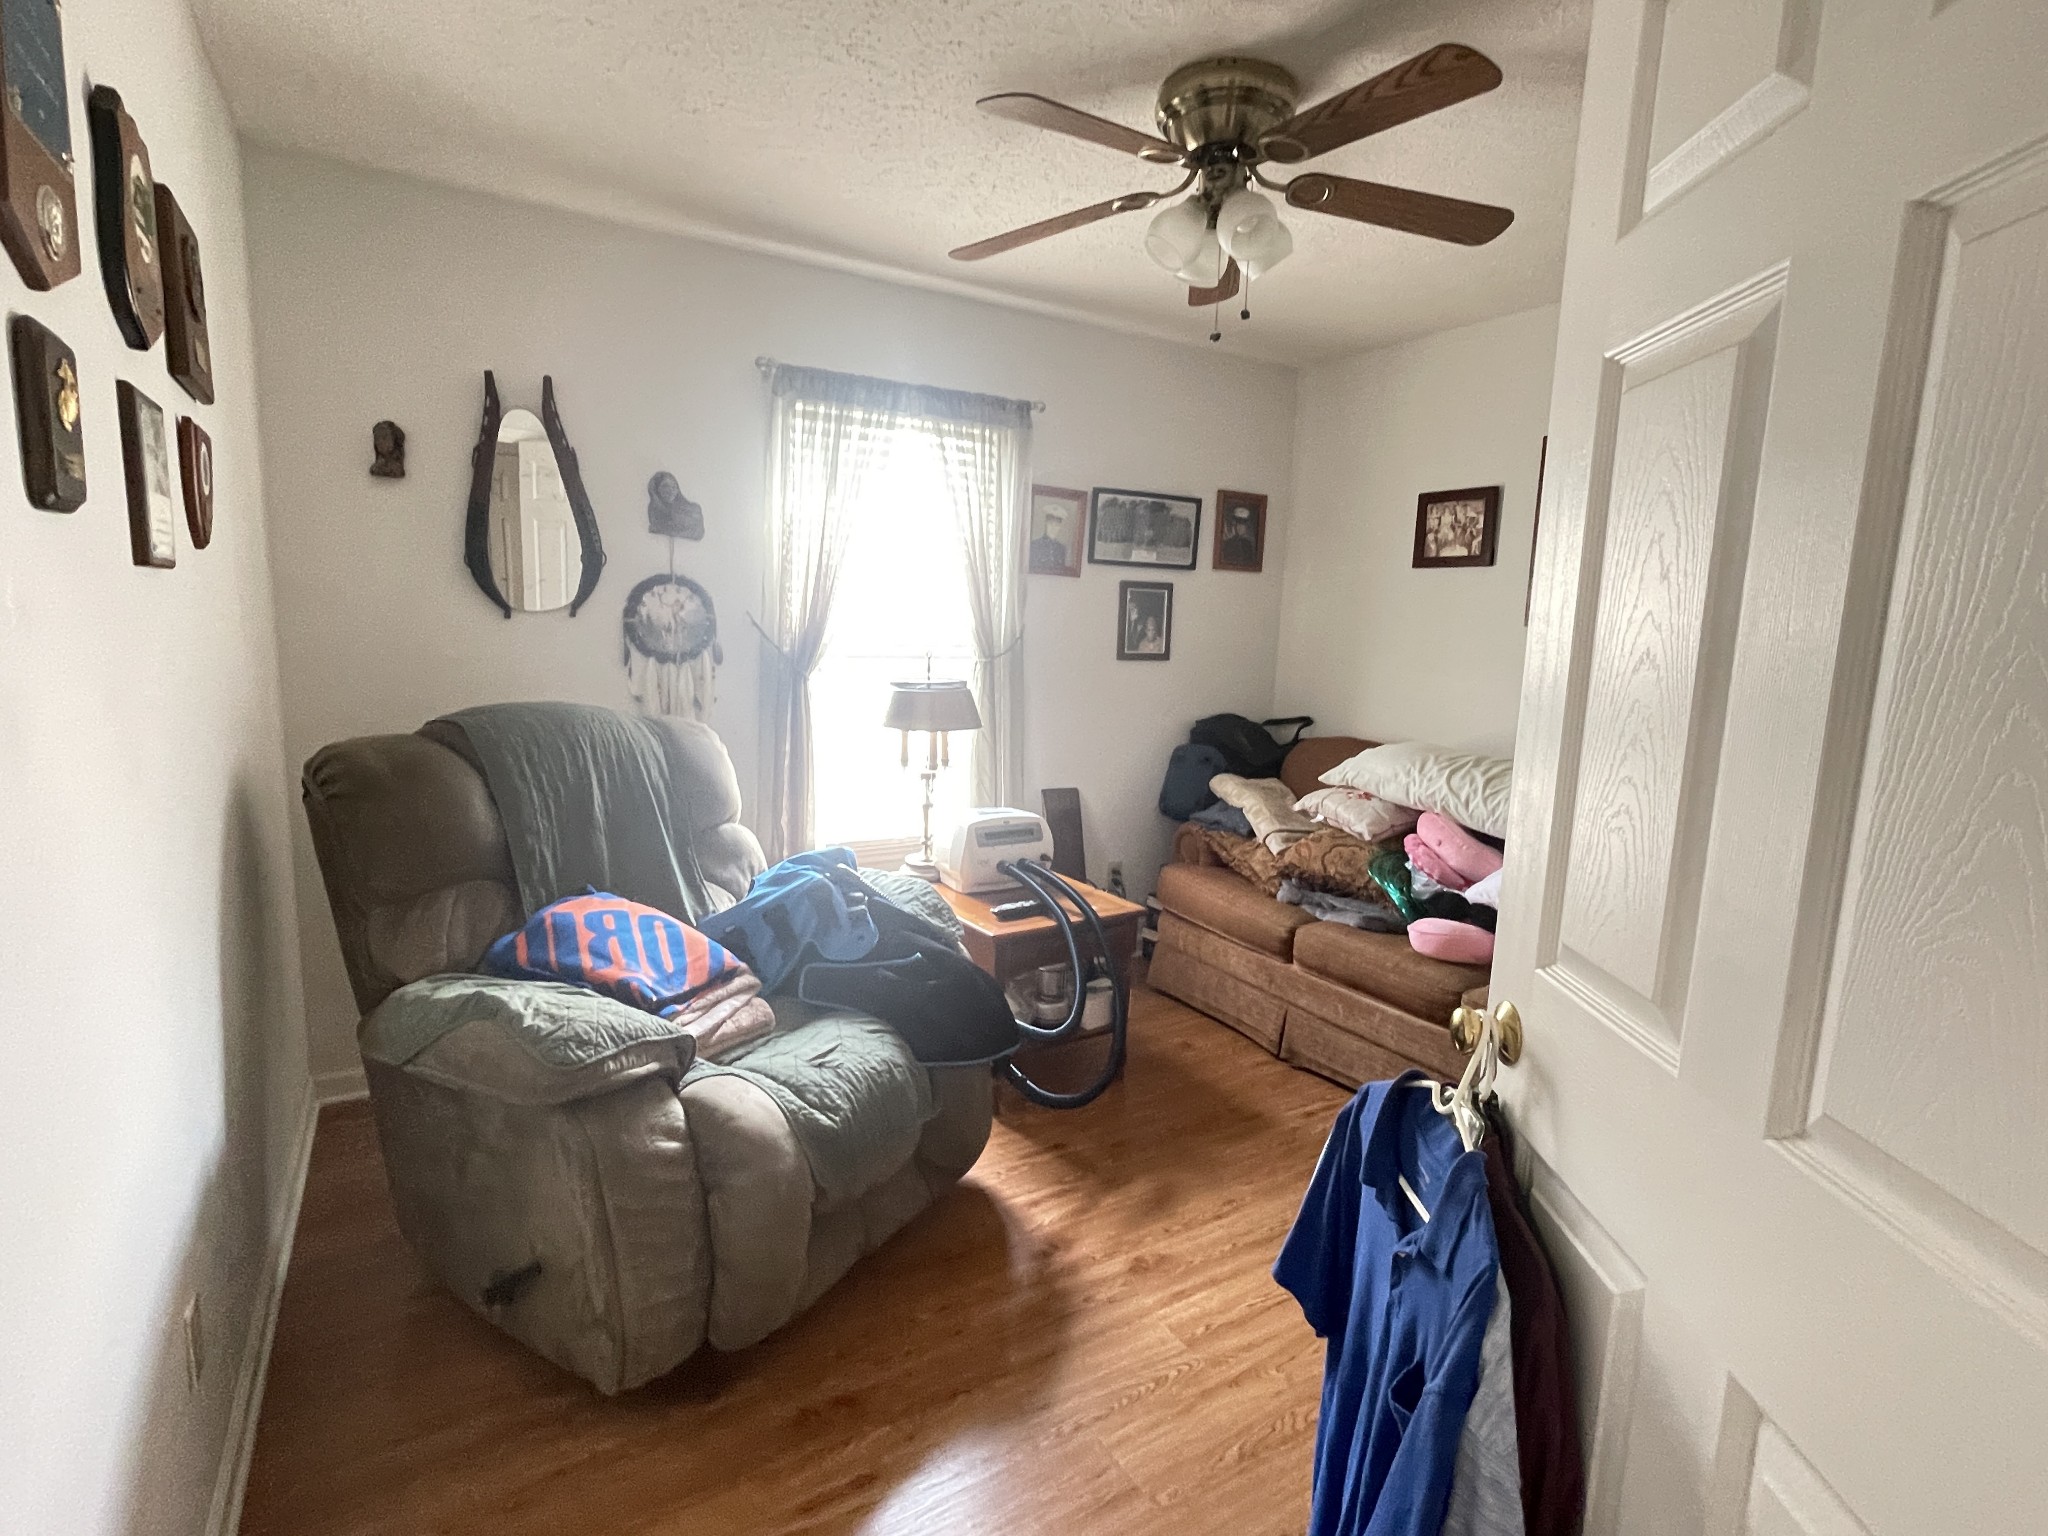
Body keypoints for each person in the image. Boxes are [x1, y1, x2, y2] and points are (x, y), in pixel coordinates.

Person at [1030, 506, 1072, 571]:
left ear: (1060, 527)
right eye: (1050, 524)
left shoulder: (1062, 549)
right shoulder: (1034, 545)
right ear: (1045, 524)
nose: (1053, 528)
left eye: (1056, 525)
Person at [1219, 503, 1260, 568]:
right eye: (1239, 524)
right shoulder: (1228, 544)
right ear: (1234, 525)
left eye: (1243, 524)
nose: (1241, 527)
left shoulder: (1248, 544)